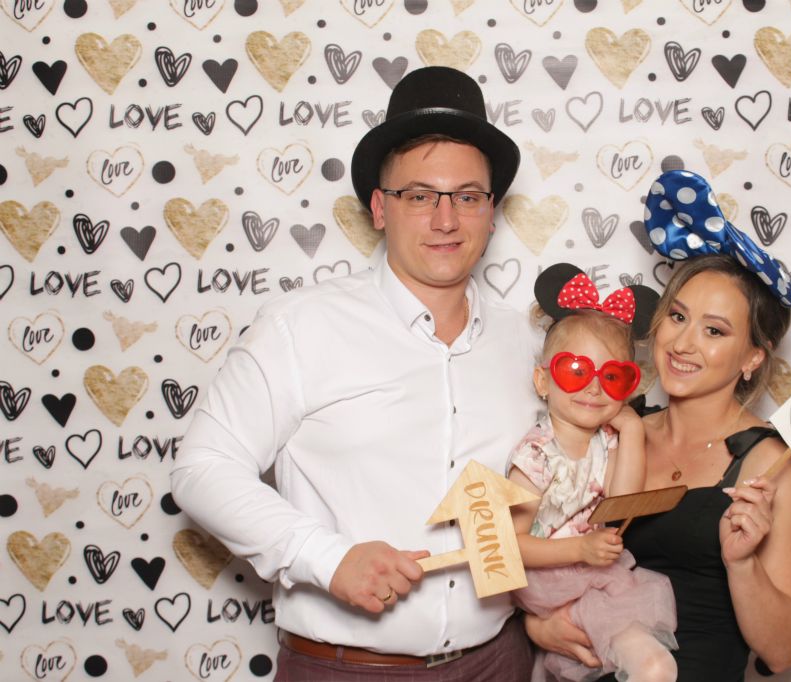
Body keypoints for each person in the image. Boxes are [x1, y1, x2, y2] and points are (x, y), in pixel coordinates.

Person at [170, 66, 539, 681]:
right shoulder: (299, 327)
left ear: (491, 212)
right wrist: (328, 557)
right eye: (419, 196)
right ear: (378, 207)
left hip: (501, 661)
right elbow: (202, 468)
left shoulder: (526, 342)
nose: (446, 220)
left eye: (468, 196)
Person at [526, 170, 791, 680]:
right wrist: (538, 626)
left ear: (752, 357)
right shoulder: (613, 427)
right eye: (678, 317)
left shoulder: (770, 468)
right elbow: (543, 537)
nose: (682, 344)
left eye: (714, 331)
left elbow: (782, 652)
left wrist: (743, 564)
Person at [507, 264, 676, 682]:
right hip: (549, 577)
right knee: (654, 667)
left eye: (613, 378)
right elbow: (511, 546)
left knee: (650, 665)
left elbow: (622, 504)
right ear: (543, 381)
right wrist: (579, 549)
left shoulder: (608, 441)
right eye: (576, 371)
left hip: (597, 573)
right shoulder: (536, 454)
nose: (594, 388)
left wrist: (632, 429)